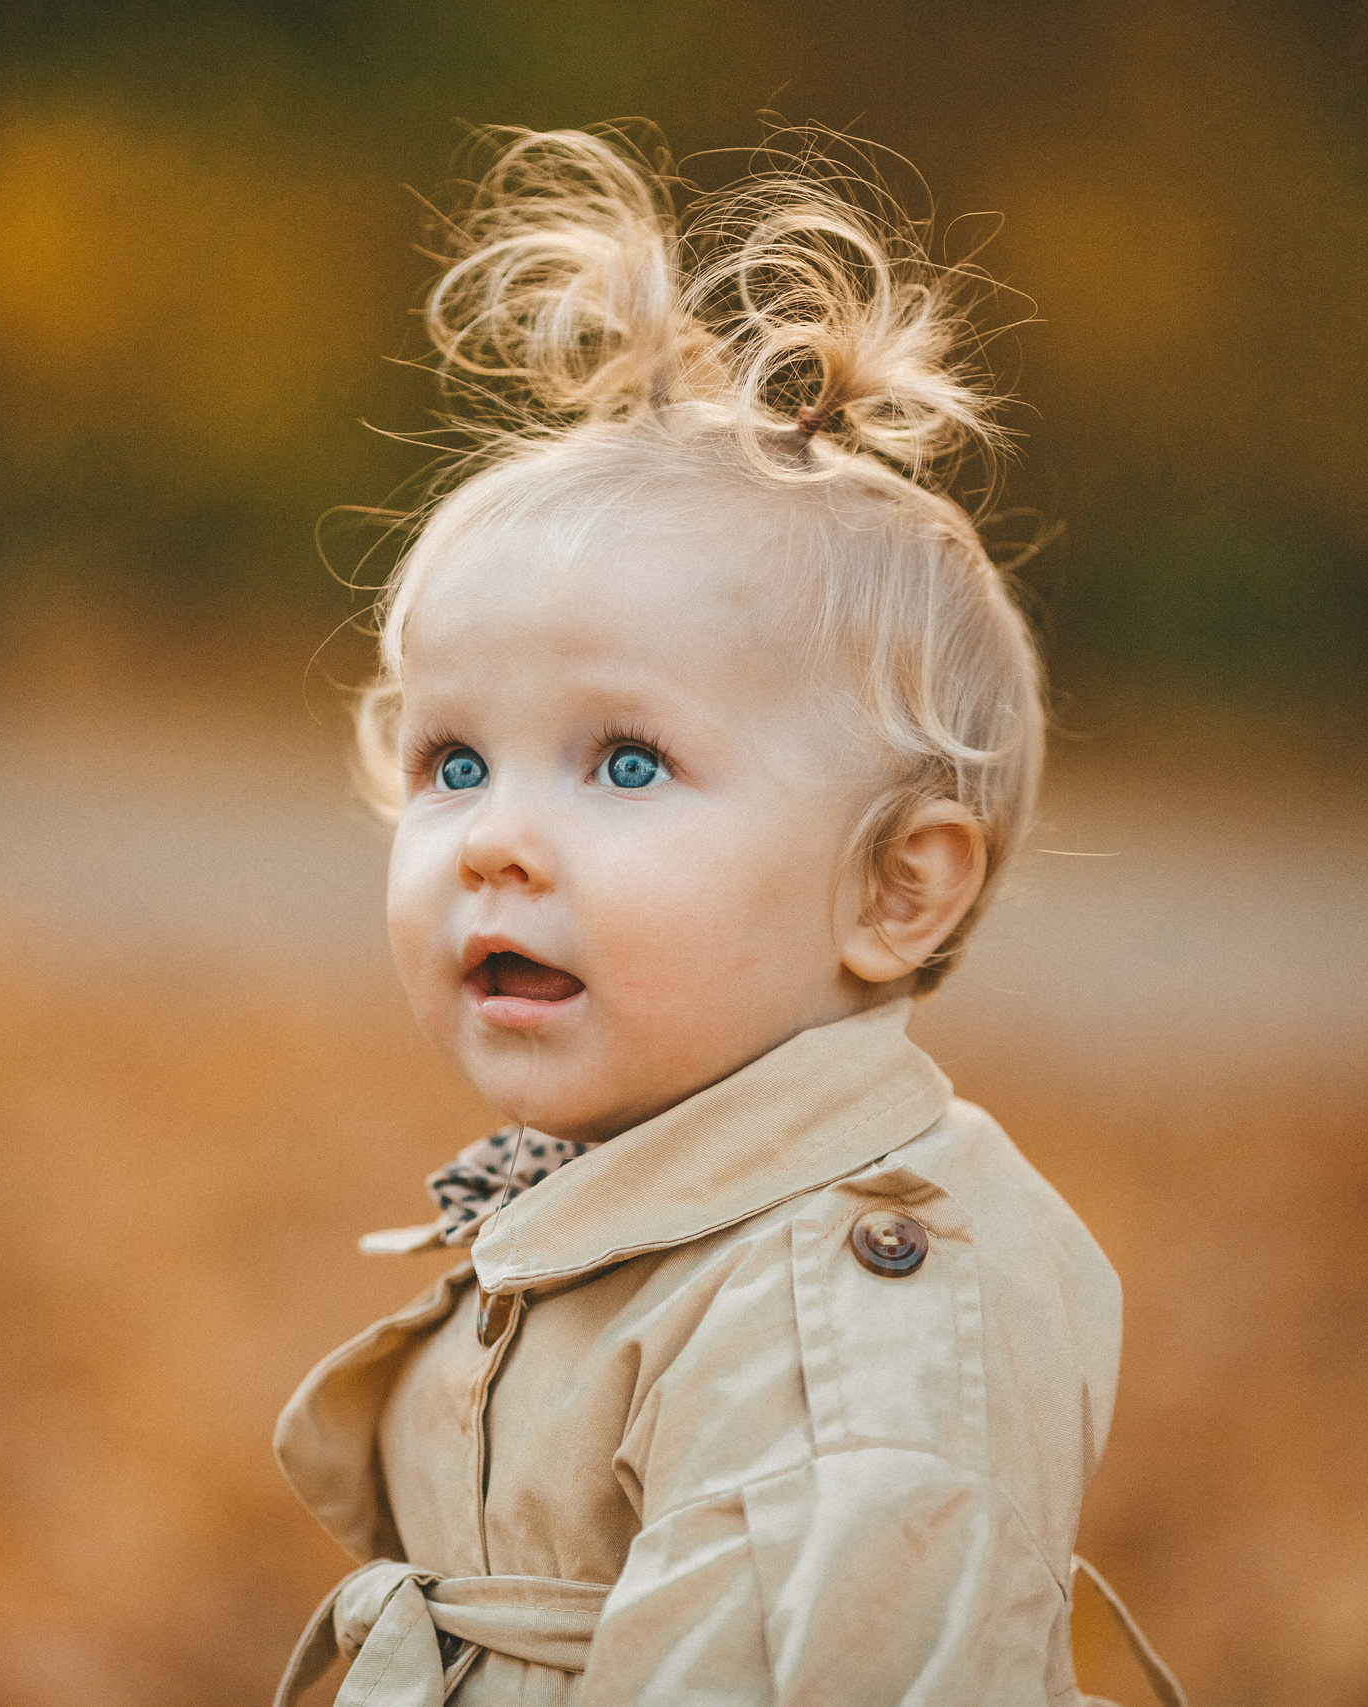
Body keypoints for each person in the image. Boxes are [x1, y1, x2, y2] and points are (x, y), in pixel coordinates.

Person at [271, 126, 1181, 1707]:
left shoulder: (849, 1321)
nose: (497, 839)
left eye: (626, 763)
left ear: (897, 888)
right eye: (454, 761)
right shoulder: (622, 1199)